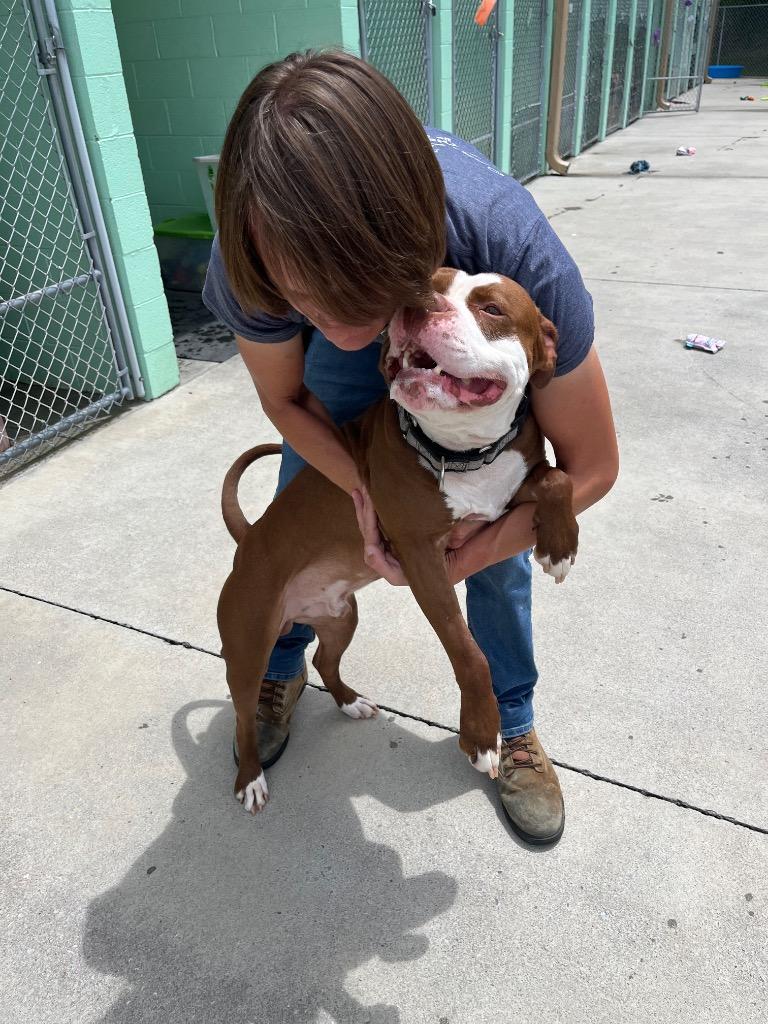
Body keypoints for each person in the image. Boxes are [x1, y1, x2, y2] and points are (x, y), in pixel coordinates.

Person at [203, 49, 619, 844]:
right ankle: (280, 665)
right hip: (400, 318)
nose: (332, 325)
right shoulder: (248, 254)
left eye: (345, 295)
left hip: (426, 307)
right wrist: (366, 492)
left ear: (412, 232)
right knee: (308, 488)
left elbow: (593, 464)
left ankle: (510, 716)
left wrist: (478, 546)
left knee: (497, 519)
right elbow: (287, 400)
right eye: (301, 298)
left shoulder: (509, 244)